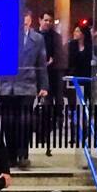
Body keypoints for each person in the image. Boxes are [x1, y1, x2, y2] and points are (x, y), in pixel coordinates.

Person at [0, 10, 48, 168]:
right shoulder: (5, 36)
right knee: (7, 122)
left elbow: (41, 63)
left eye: (25, 23)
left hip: (27, 84)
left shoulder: (38, 39)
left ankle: (22, 154)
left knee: (24, 122)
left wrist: (44, 85)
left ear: (30, 22)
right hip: (7, 86)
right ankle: (10, 155)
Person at [38, 13, 63, 155]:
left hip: (52, 75)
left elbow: (59, 55)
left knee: (50, 106)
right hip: (37, 74)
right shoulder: (34, 36)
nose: (48, 23)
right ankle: (41, 131)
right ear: (40, 20)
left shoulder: (55, 37)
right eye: (45, 20)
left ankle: (47, 132)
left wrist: (51, 62)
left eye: (50, 21)